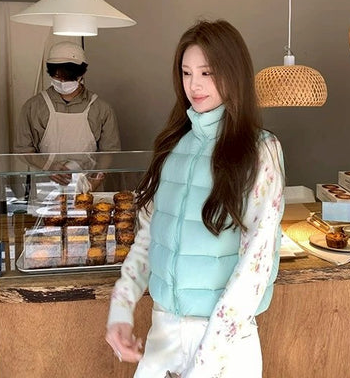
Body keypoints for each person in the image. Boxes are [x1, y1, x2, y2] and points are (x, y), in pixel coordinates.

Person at [105, 19, 285, 378]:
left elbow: (256, 263)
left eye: (207, 72)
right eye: (186, 73)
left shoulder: (260, 151)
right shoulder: (172, 145)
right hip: (164, 334)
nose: (194, 85)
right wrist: (121, 310)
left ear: (233, 73)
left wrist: (206, 363)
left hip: (225, 346)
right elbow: (149, 237)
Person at [14, 41, 121, 187]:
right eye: (57, 76)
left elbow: (109, 151)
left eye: (68, 77)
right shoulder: (33, 107)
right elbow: (23, 149)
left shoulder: (101, 109)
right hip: (45, 188)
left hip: (87, 184)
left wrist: (94, 182)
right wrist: (48, 166)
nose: (62, 82)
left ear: (82, 73)